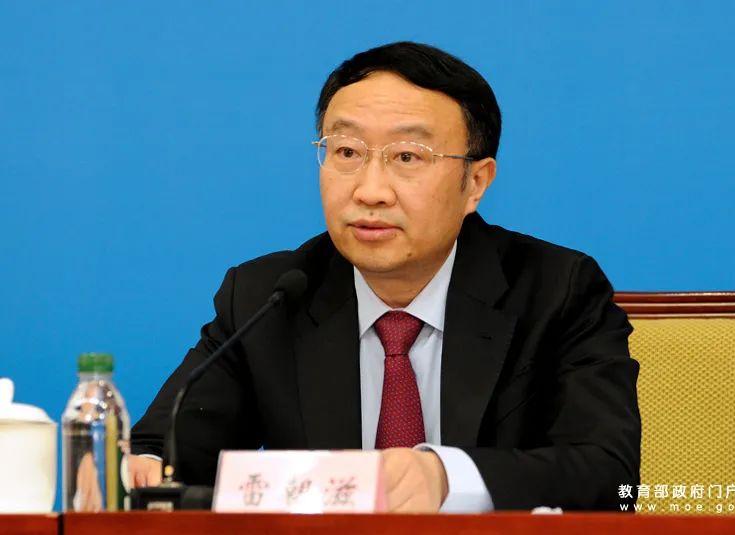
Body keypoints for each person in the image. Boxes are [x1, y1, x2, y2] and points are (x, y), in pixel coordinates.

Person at [129, 41, 640, 512]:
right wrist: (139, 470)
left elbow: (608, 476)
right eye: (347, 152)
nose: (370, 191)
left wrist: (445, 477)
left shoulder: (556, 291)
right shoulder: (268, 296)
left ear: (475, 182)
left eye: (407, 157)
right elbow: (164, 450)